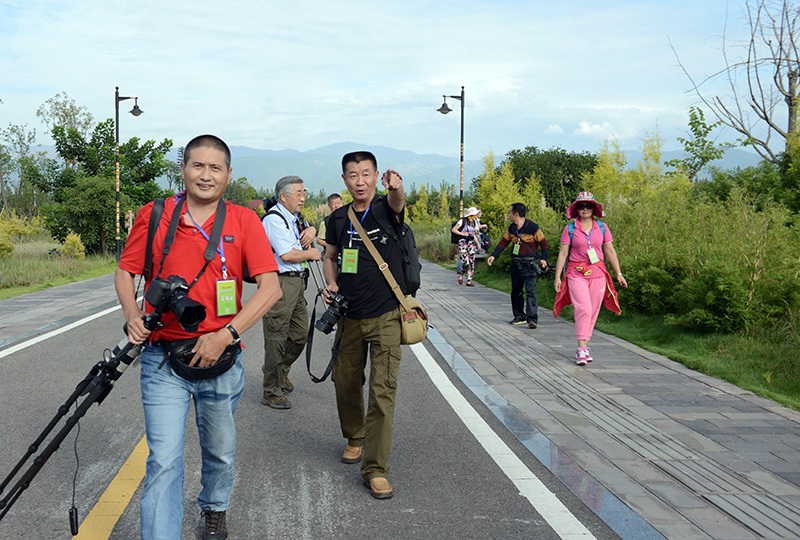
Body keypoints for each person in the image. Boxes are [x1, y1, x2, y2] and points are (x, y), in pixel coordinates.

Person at [115, 134, 282, 540]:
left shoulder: (244, 220)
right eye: (197, 166)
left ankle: (214, 506)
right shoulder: (154, 214)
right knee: (165, 460)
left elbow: (271, 287)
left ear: (228, 174)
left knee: (220, 452)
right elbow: (126, 271)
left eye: (215, 168)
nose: (205, 176)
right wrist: (133, 314)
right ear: (183, 169)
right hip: (162, 358)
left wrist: (226, 335)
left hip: (221, 360)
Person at [322, 150, 405, 500]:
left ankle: (375, 468)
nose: (360, 181)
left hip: (386, 314)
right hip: (349, 317)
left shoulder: (386, 209)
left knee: (382, 391)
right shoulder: (338, 219)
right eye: (353, 175)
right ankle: (355, 436)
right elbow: (329, 256)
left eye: (366, 174)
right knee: (345, 382)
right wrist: (331, 283)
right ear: (344, 179)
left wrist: (397, 188)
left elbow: (398, 202)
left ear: (376, 177)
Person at [261, 176, 321, 409]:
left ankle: (280, 371)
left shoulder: (294, 218)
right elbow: (287, 255)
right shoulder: (274, 220)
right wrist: (312, 254)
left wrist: (312, 229)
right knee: (276, 335)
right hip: (280, 282)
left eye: (304, 192)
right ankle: (271, 389)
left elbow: (305, 235)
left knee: (298, 335)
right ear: (283, 196)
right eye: (298, 193)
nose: (303, 198)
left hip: (297, 282)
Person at [553, 192, 628, 366]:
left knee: (593, 310)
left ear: (594, 208)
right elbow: (563, 253)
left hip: (598, 273)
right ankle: (581, 348)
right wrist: (558, 276)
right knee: (583, 308)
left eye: (588, 205)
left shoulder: (602, 227)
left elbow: (609, 250)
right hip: (575, 273)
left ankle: (585, 345)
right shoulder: (570, 229)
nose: (584, 209)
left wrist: (619, 273)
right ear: (576, 209)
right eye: (581, 206)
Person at [487, 202, 549, 329]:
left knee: (530, 291)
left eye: (510, 213)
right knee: (516, 291)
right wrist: (493, 255)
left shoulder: (532, 227)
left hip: (530, 264)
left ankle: (532, 319)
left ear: (516, 214)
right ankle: (519, 316)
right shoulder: (512, 229)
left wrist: (544, 259)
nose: (509, 215)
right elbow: (503, 242)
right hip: (516, 263)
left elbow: (544, 244)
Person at [451, 206, 482, 286]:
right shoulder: (462, 221)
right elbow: (454, 230)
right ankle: (461, 275)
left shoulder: (474, 222)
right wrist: (462, 234)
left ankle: (469, 280)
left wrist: (478, 244)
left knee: (472, 261)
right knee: (465, 260)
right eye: (474, 214)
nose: (476, 215)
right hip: (463, 242)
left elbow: (474, 234)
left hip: (471, 242)